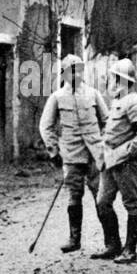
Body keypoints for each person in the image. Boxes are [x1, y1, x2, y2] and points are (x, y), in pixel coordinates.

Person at [39, 54, 108, 252]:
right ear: (64, 74)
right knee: (74, 196)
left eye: (79, 69)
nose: (77, 73)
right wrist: (54, 151)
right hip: (71, 155)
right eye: (72, 70)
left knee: (101, 197)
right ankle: (74, 239)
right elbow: (46, 126)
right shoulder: (57, 97)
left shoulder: (93, 94)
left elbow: (107, 121)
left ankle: (110, 243)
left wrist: (102, 143)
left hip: (95, 155)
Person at [91, 58, 137, 264]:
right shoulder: (117, 100)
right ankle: (113, 245)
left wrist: (126, 152)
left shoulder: (134, 102)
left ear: (125, 80)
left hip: (126, 163)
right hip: (109, 162)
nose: (112, 82)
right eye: (113, 78)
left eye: (116, 78)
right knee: (102, 203)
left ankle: (130, 250)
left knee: (130, 204)